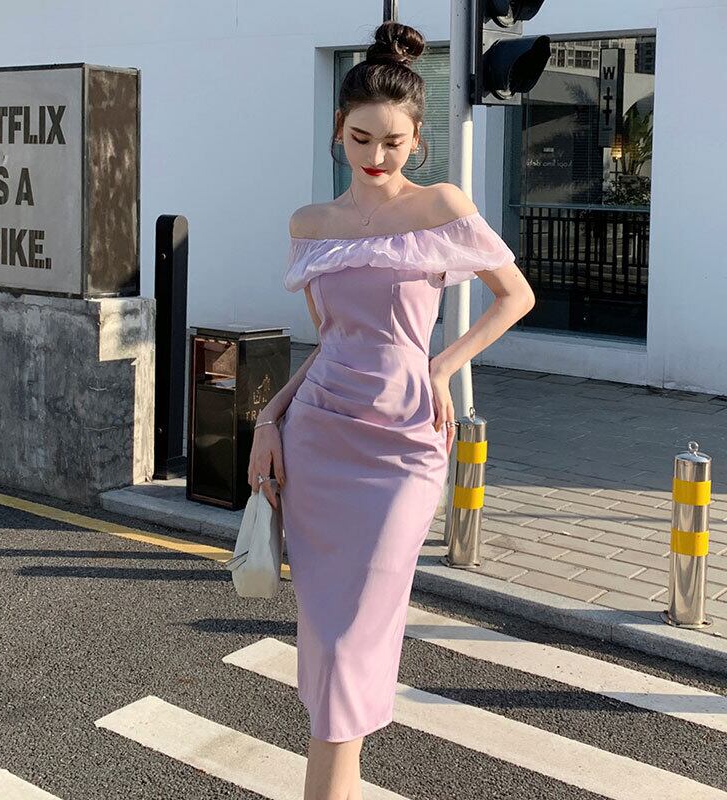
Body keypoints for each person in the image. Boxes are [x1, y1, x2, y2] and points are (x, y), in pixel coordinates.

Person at [247, 20, 535, 800]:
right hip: (319, 438)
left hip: (406, 443)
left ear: (417, 140)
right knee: (327, 638)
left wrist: (441, 364)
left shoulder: (440, 205)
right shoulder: (311, 225)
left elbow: (515, 296)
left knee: (354, 638)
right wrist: (269, 420)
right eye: (362, 139)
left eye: (395, 142)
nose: (378, 156)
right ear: (338, 129)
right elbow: (329, 344)